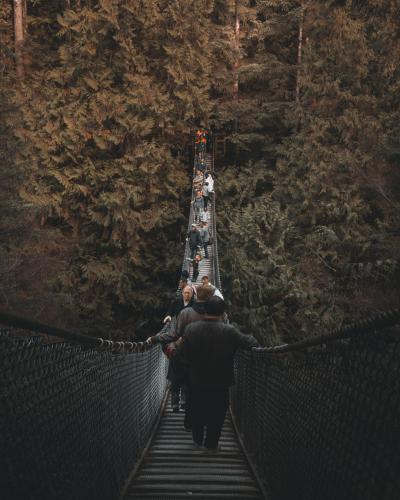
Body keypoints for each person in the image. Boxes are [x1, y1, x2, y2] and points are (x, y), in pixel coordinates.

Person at [176, 297, 259, 451]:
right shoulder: (230, 331)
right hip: (220, 380)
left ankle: (197, 440)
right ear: (222, 312)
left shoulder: (191, 329)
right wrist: (253, 337)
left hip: (196, 378)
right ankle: (211, 444)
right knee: (217, 413)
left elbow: (181, 353)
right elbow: (251, 343)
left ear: (205, 310)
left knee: (196, 409)